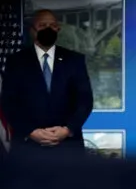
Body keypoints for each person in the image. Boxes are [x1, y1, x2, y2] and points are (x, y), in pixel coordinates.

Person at [0, 9, 93, 157]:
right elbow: (9, 102)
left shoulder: (74, 60)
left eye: (52, 25)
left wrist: (67, 130)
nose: (48, 29)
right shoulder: (15, 62)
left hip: (67, 147)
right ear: (32, 30)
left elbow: (85, 101)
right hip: (27, 147)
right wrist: (30, 131)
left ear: (58, 29)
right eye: (42, 25)